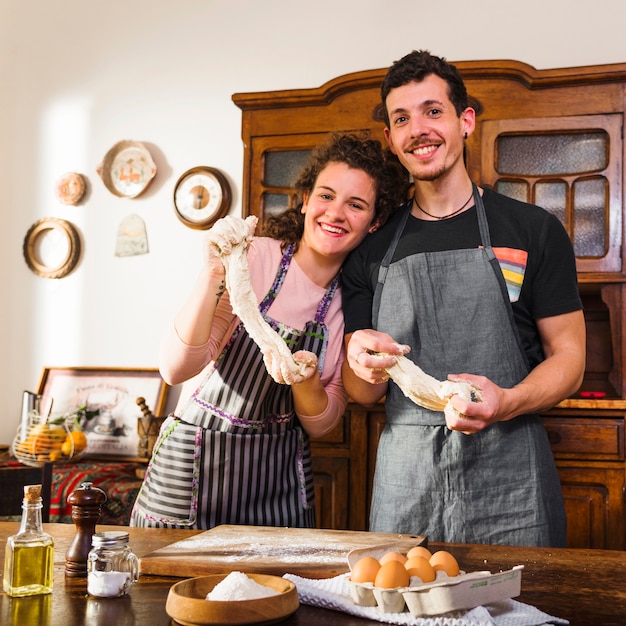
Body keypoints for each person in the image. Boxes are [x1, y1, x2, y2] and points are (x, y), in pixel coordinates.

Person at [341, 50, 586, 547]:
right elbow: (362, 393)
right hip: (406, 479)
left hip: (513, 473)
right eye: (402, 118)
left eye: (433, 111)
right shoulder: (369, 250)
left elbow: (571, 358)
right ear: (391, 139)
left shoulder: (533, 229)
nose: (419, 130)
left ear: (465, 120)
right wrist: (360, 365)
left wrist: (507, 401)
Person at [130, 133, 408, 530]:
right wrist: (212, 275)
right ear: (306, 200)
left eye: (356, 204)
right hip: (191, 468)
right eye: (326, 196)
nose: (336, 213)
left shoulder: (357, 303)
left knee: (274, 589)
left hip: (274, 483)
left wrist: (306, 380)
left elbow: (322, 424)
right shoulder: (253, 256)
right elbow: (175, 370)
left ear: (375, 221)